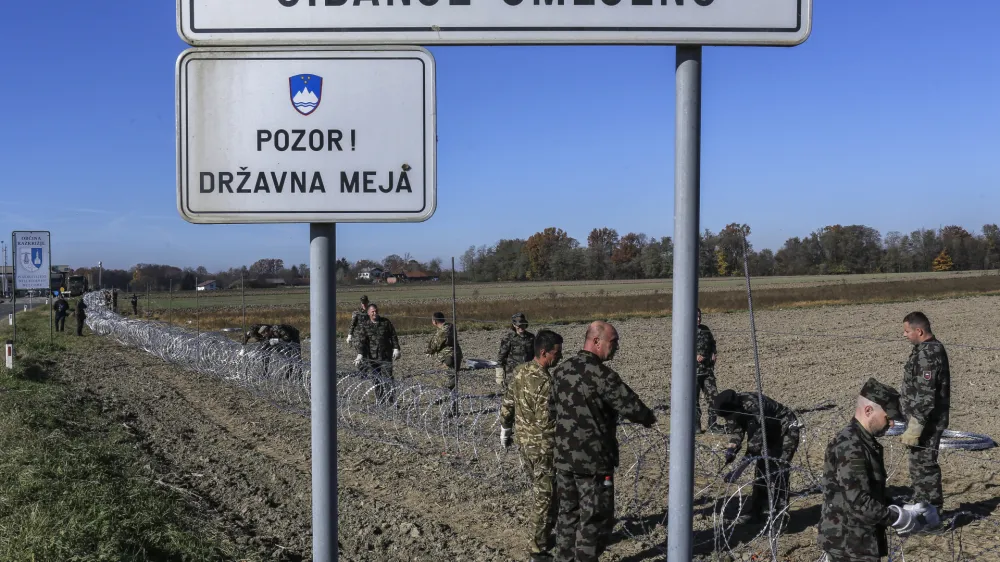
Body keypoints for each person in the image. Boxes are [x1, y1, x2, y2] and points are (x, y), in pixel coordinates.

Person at [548, 321, 656, 562]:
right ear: (596, 341)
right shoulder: (602, 375)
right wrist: (649, 418)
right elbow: (632, 407)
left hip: (564, 459)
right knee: (594, 519)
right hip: (593, 462)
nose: (616, 347)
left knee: (568, 515)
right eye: (613, 342)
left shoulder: (562, 370)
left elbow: (551, 410)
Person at [818, 377, 925, 561]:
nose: (891, 424)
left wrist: (903, 508)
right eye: (888, 418)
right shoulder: (851, 447)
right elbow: (859, 501)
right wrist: (897, 518)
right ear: (868, 410)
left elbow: (870, 491)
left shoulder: (864, 443)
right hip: (848, 546)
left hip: (860, 542)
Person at [499, 329, 564, 562]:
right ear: (544, 352)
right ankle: (538, 549)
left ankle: (544, 535)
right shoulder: (547, 383)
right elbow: (549, 423)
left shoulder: (519, 371)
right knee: (544, 499)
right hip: (543, 449)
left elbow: (507, 403)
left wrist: (506, 428)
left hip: (524, 445)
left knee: (542, 494)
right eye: (557, 353)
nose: (560, 357)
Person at [712, 389, 802, 526]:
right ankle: (756, 513)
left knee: (778, 471)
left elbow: (755, 447)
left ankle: (781, 515)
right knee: (761, 473)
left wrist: (737, 471)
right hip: (768, 431)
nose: (728, 419)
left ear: (736, 409)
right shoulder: (733, 409)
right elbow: (737, 430)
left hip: (785, 429)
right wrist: (732, 447)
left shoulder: (755, 408)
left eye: (729, 416)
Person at [899, 311, 950, 519]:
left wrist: (915, 427)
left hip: (927, 423)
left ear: (919, 331)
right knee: (918, 467)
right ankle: (922, 508)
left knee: (925, 468)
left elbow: (926, 395)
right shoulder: (927, 349)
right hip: (924, 420)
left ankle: (931, 517)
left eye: (907, 331)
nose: (904, 335)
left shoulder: (927, 354)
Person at [354, 303, 401, 401]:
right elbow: (362, 342)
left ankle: (391, 400)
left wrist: (396, 348)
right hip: (373, 358)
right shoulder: (365, 325)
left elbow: (393, 335)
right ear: (368, 313)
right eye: (372, 312)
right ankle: (380, 401)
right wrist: (360, 354)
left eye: (376, 311)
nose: (375, 313)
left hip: (385, 356)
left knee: (388, 378)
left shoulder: (385, 322)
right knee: (376, 380)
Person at [695, 307, 722, 434]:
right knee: (694, 401)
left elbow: (712, 343)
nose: (699, 319)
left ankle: (713, 425)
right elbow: (680, 349)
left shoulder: (705, 330)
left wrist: (713, 353)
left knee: (713, 398)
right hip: (693, 373)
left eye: (700, 316)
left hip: (707, 371)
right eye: (696, 316)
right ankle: (696, 426)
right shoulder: (685, 331)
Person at [496, 312, 535, 392]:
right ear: (514, 325)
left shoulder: (531, 337)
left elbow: (535, 355)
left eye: (523, 325)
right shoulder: (508, 338)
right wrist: (499, 374)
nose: (521, 327)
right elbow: (501, 356)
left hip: (528, 372)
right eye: (518, 325)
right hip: (512, 373)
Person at [425, 311, 462, 389]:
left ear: (434, 321)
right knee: (453, 377)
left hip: (448, 356)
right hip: (456, 354)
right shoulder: (451, 326)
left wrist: (430, 351)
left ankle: (446, 396)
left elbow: (436, 343)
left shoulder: (443, 331)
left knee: (450, 378)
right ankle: (452, 397)